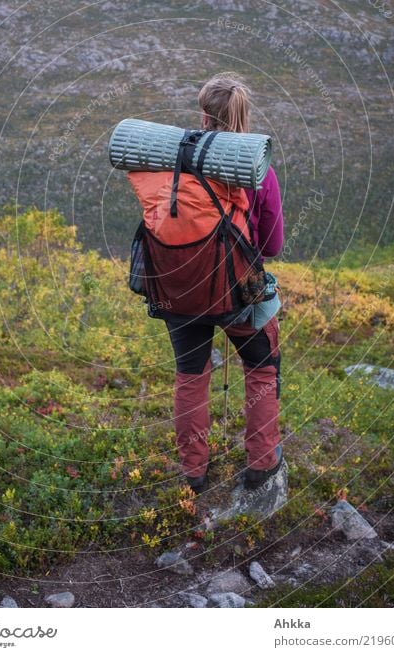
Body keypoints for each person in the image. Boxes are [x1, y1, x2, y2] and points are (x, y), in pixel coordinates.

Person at [129, 72, 284, 495]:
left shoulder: (168, 163)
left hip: (177, 290)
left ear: (203, 114)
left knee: (191, 376)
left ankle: (194, 472)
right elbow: (272, 245)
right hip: (238, 296)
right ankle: (261, 464)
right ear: (243, 118)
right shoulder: (257, 171)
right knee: (262, 368)